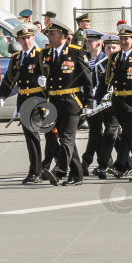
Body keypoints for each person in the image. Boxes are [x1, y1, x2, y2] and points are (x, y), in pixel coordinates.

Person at [39, 18, 93, 186]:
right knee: (61, 137)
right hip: (53, 101)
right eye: (47, 33)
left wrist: (89, 103)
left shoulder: (76, 52)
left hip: (71, 101)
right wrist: (41, 81)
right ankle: (77, 175)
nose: (48, 36)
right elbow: (44, 75)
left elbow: (87, 79)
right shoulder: (45, 53)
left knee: (67, 137)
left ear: (62, 35)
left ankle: (59, 170)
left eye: (51, 33)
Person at [0, 24, 44, 183]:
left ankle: (39, 171)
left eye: (29, 38)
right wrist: (2, 96)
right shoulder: (16, 58)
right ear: (18, 40)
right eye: (22, 39)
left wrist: (45, 83)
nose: (26, 41)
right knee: (30, 135)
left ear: (33, 38)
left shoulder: (41, 55)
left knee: (37, 134)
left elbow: (52, 75)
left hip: (39, 99)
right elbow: (9, 79)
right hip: (23, 100)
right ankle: (37, 171)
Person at [102, 25, 132, 182]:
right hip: (118, 101)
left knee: (128, 134)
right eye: (121, 39)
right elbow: (106, 81)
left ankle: (120, 165)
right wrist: (95, 100)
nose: (123, 41)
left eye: (126, 39)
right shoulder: (114, 57)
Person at [81, 30, 119, 179]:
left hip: (106, 102)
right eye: (87, 41)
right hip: (92, 101)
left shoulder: (105, 60)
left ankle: (90, 162)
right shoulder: (84, 59)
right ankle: (99, 162)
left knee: (111, 134)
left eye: (90, 41)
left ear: (99, 43)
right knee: (96, 132)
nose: (87, 44)